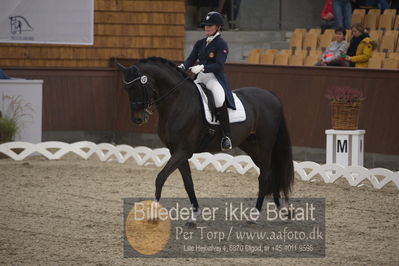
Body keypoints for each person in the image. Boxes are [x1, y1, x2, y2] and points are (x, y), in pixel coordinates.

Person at [180, 11, 236, 150]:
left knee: (218, 98)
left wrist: (203, 67)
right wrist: (182, 67)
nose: (207, 28)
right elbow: (190, 59)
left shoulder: (221, 44)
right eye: (205, 26)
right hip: (200, 77)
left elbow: (219, 65)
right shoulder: (200, 43)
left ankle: (226, 136)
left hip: (214, 77)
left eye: (210, 26)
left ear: (218, 27)